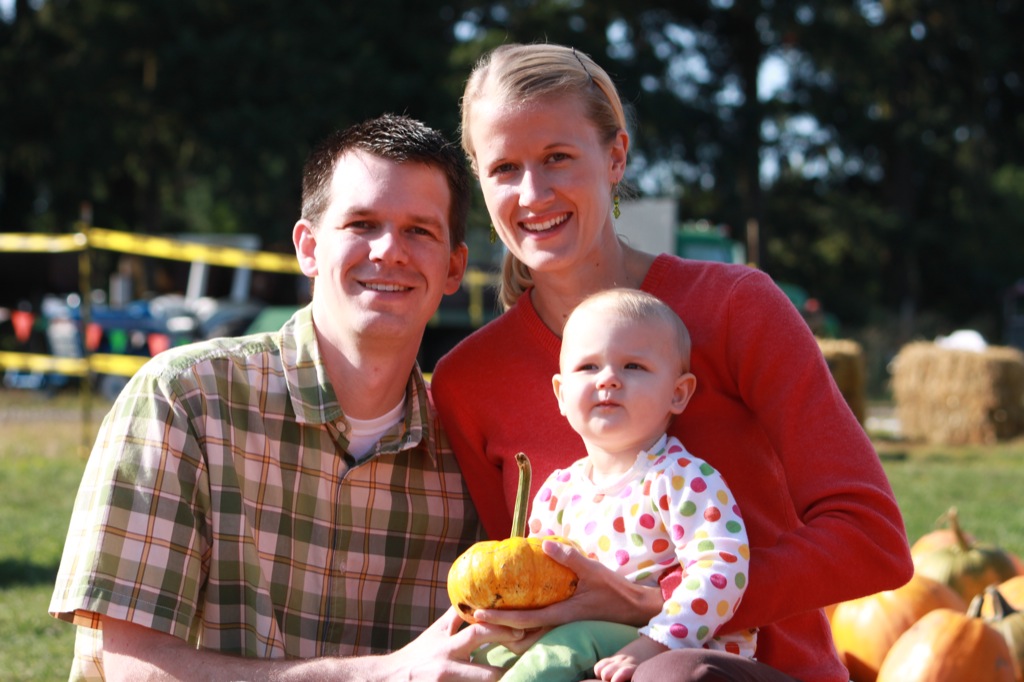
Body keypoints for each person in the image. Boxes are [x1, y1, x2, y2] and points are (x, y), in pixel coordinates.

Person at [430, 43, 914, 681]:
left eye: (557, 158)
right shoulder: (468, 381)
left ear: (616, 157)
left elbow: (870, 539)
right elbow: (519, 587)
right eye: (504, 169)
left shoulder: (736, 307)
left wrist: (658, 604)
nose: (533, 192)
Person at [49, 114, 526, 681]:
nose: (389, 250)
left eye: (419, 231)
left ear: (454, 268)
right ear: (308, 248)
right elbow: (133, 670)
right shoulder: (185, 399)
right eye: (362, 223)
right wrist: (377, 675)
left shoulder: (471, 448)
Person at [479, 288, 755, 682]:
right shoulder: (556, 493)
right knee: (486, 649)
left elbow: (722, 570)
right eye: (588, 366)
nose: (608, 378)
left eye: (633, 366)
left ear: (677, 393)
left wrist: (657, 641)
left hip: (681, 647)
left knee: (565, 647)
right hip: (583, 636)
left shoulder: (683, 479)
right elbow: (541, 586)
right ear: (561, 394)